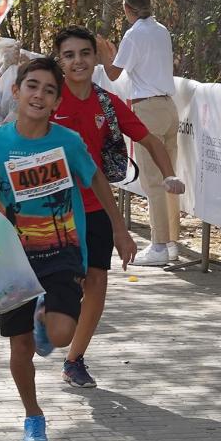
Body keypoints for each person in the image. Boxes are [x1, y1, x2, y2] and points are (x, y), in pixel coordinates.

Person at [0, 57, 135, 441]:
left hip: (62, 250)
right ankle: (33, 417)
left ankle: (44, 314)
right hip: (14, 257)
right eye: (32, 86)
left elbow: (98, 181)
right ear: (17, 92)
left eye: (49, 90)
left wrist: (121, 231)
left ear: (57, 103)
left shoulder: (68, 141)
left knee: (60, 332)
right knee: (20, 348)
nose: (39, 95)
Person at [51, 26, 179, 388]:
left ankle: (74, 359)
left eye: (85, 54)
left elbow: (151, 141)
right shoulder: (48, 97)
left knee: (97, 282)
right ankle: (51, 325)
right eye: (69, 55)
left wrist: (169, 176)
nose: (78, 61)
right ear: (59, 61)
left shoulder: (107, 103)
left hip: (96, 206)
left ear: (96, 58)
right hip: (51, 209)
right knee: (62, 283)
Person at [98, 0, 181, 265]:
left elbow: (112, 74)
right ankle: (170, 243)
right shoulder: (161, 30)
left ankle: (159, 246)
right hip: (169, 106)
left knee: (154, 181)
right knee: (170, 177)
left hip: (148, 108)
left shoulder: (134, 35)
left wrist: (105, 54)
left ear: (126, 8)